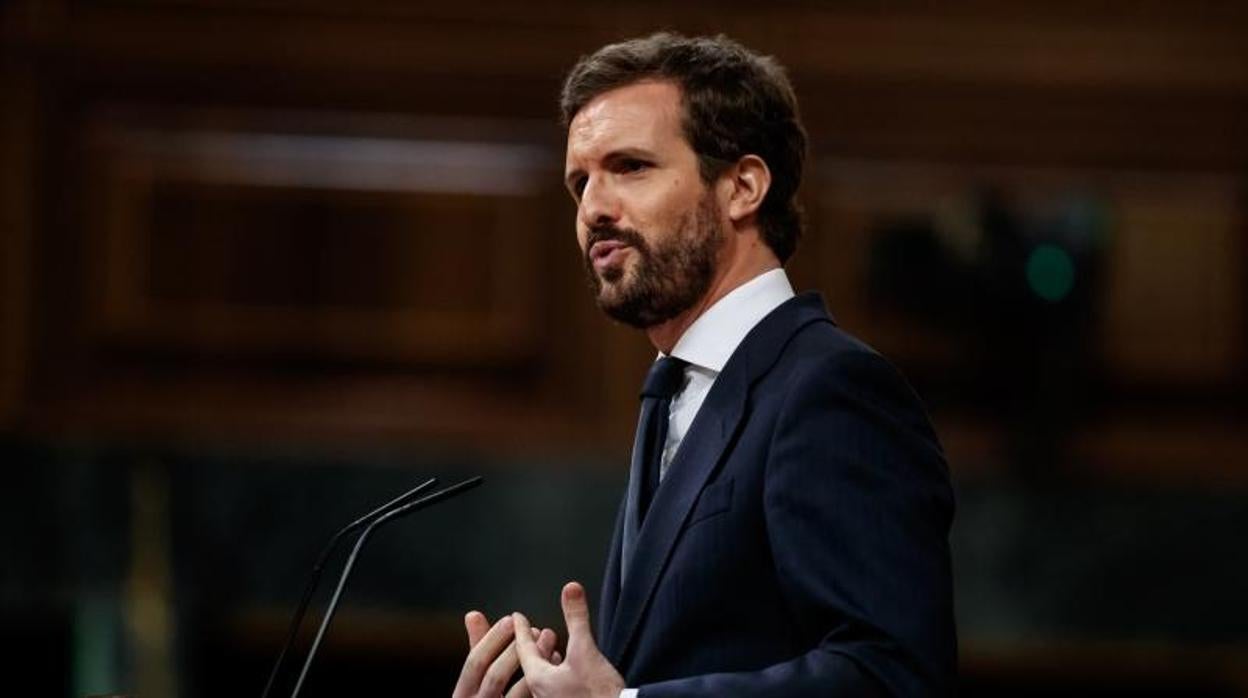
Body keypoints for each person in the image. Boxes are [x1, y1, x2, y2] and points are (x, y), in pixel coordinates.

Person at [453, 32, 956, 698]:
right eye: (580, 182)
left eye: (630, 166)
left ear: (743, 186)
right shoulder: (674, 393)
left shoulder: (830, 389)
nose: (593, 209)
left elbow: (892, 677)